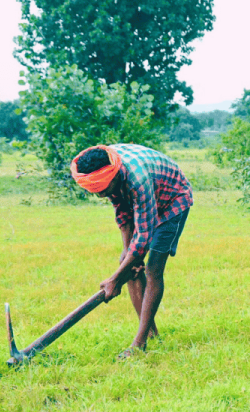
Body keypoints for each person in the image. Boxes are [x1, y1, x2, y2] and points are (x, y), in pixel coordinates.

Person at [70, 144, 192, 357]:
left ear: (115, 176)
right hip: (147, 198)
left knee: (153, 268)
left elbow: (144, 237)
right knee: (129, 263)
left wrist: (115, 279)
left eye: (104, 191)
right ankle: (152, 333)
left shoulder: (138, 180)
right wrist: (127, 255)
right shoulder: (107, 170)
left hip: (172, 200)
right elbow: (122, 211)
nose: (102, 196)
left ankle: (139, 343)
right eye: (97, 192)